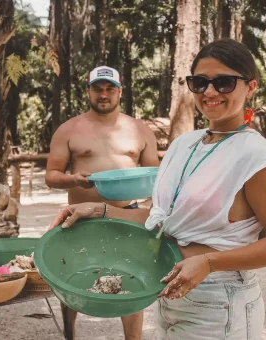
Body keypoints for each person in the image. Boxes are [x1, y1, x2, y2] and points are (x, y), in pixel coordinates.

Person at [48, 39, 266, 339]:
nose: (210, 92)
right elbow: (164, 223)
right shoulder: (184, 145)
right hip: (169, 291)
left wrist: (209, 263)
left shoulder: (257, 158)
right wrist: (101, 210)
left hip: (219, 302)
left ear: (250, 87)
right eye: (200, 82)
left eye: (224, 82)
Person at [45, 66, 159, 340]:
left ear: (120, 91)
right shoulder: (69, 129)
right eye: (98, 88)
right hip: (78, 216)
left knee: (132, 278)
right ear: (89, 91)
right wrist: (73, 179)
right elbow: (51, 175)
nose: (104, 94)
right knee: (69, 277)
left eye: (110, 88)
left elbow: (156, 174)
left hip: (125, 214)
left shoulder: (140, 128)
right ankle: (70, 335)